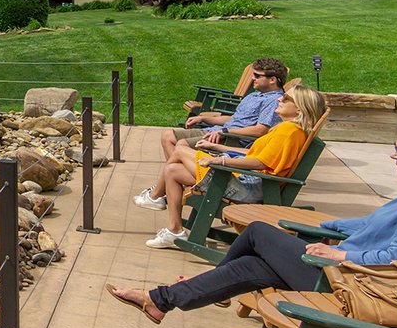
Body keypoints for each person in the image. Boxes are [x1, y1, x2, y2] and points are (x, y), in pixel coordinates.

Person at [108, 118, 397, 323]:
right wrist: (329, 229)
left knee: (259, 233)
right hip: (350, 280)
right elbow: (375, 228)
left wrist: (340, 257)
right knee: (252, 264)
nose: (395, 159)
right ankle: (162, 300)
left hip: (356, 292)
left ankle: (176, 295)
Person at [140, 86, 327, 249]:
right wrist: (219, 148)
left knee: (180, 151)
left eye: (286, 98)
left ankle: (156, 196)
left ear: (300, 108)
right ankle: (174, 230)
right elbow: (255, 155)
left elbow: (259, 163)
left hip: (249, 187)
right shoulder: (287, 128)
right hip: (247, 180)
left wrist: (220, 161)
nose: (279, 98)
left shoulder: (289, 132)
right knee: (172, 171)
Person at [140, 57, 287, 208]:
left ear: (272, 80)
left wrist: (226, 131)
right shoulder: (254, 95)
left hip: (231, 139)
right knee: (168, 136)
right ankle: (176, 184)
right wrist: (204, 119)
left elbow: (261, 130)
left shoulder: (273, 101)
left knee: (181, 145)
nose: (252, 78)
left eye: (257, 75)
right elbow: (235, 118)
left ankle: (164, 190)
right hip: (217, 131)